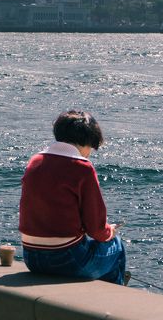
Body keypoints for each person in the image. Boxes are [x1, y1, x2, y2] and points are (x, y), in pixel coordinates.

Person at [18, 109, 127, 285]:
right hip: (67, 259)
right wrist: (110, 232)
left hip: (32, 258)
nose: (90, 152)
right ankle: (113, 304)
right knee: (116, 246)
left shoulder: (35, 161)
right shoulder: (82, 167)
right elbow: (96, 228)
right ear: (88, 140)